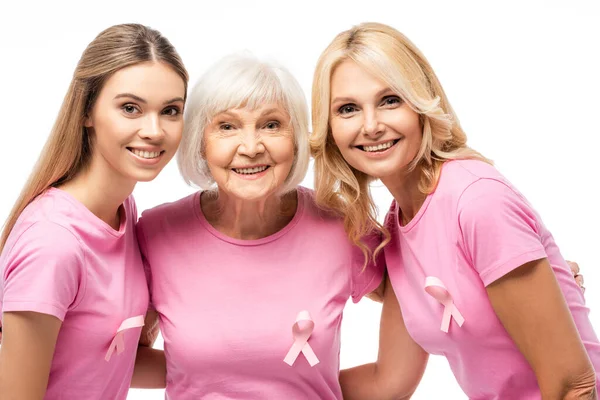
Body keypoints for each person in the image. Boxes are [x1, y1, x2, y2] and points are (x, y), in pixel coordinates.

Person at [311, 22, 599, 399]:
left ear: (421, 102)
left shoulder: (476, 201)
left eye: (390, 100)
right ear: (329, 128)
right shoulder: (398, 228)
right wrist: (263, 381)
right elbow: (388, 382)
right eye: (348, 109)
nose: (371, 125)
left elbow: (573, 386)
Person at [133, 53, 384, 399]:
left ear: (296, 139)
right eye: (226, 126)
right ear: (200, 144)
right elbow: (126, 358)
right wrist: (204, 369)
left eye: (271, 125)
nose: (250, 148)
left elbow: (416, 300)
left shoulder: (343, 226)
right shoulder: (156, 232)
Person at [0, 23, 187, 400]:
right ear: (86, 111)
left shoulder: (120, 211)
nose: (154, 130)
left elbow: (109, 362)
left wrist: (239, 359)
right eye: (130, 108)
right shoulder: (54, 244)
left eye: (170, 110)